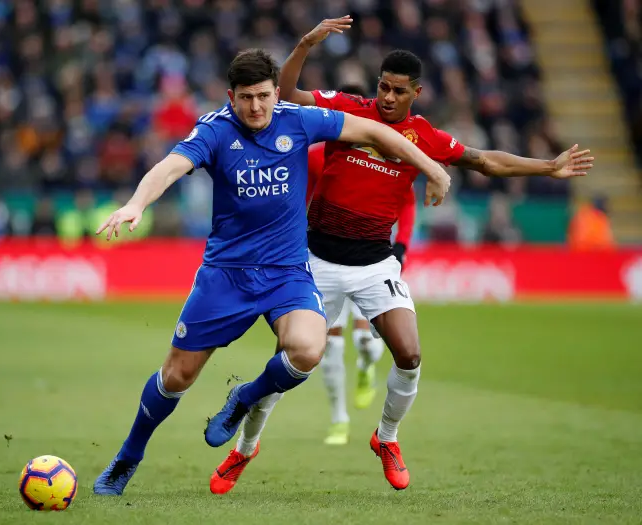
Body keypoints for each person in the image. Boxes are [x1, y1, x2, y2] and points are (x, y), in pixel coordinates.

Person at [208, 17, 595, 494]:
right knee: (288, 363)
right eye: (383, 88)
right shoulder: (349, 111)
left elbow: (484, 160)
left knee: (409, 354)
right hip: (316, 262)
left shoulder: (425, 137)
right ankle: (244, 450)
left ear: (416, 92)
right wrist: (306, 43)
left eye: (398, 91)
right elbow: (287, 96)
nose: (387, 98)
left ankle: (386, 438)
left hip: (375, 265)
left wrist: (548, 167)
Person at [92, 48, 452, 496]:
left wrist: (432, 168)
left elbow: (376, 131)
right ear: (231, 96)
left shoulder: (298, 119)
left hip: (287, 273)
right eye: (246, 98)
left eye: (264, 96)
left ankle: (244, 397)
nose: (256, 107)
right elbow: (170, 168)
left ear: (276, 93)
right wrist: (135, 203)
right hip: (226, 274)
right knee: (176, 377)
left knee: (307, 348)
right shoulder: (216, 130)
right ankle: (128, 457)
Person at [307, 85, 417, 446]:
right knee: (331, 343)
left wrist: (401, 245)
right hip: (326, 256)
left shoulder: (389, 149)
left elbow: (407, 201)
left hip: (372, 259)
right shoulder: (319, 155)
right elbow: (305, 197)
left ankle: (369, 366)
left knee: (368, 343)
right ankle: (338, 417)